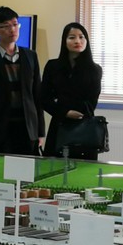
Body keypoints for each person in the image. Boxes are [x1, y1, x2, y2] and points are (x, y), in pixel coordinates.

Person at [0, 6, 45, 155]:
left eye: (15, 24)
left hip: (27, 129)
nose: (12, 30)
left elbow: (37, 96)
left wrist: (40, 132)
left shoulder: (30, 56)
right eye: (5, 26)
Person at [41, 22, 103, 160]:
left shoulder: (95, 70)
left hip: (84, 126)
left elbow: (92, 102)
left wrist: (63, 102)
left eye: (81, 37)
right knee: (53, 167)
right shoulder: (53, 66)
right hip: (59, 124)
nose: (77, 41)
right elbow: (44, 98)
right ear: (64, 41)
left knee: (84, 170)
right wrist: (65, 112)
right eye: (72, 37)